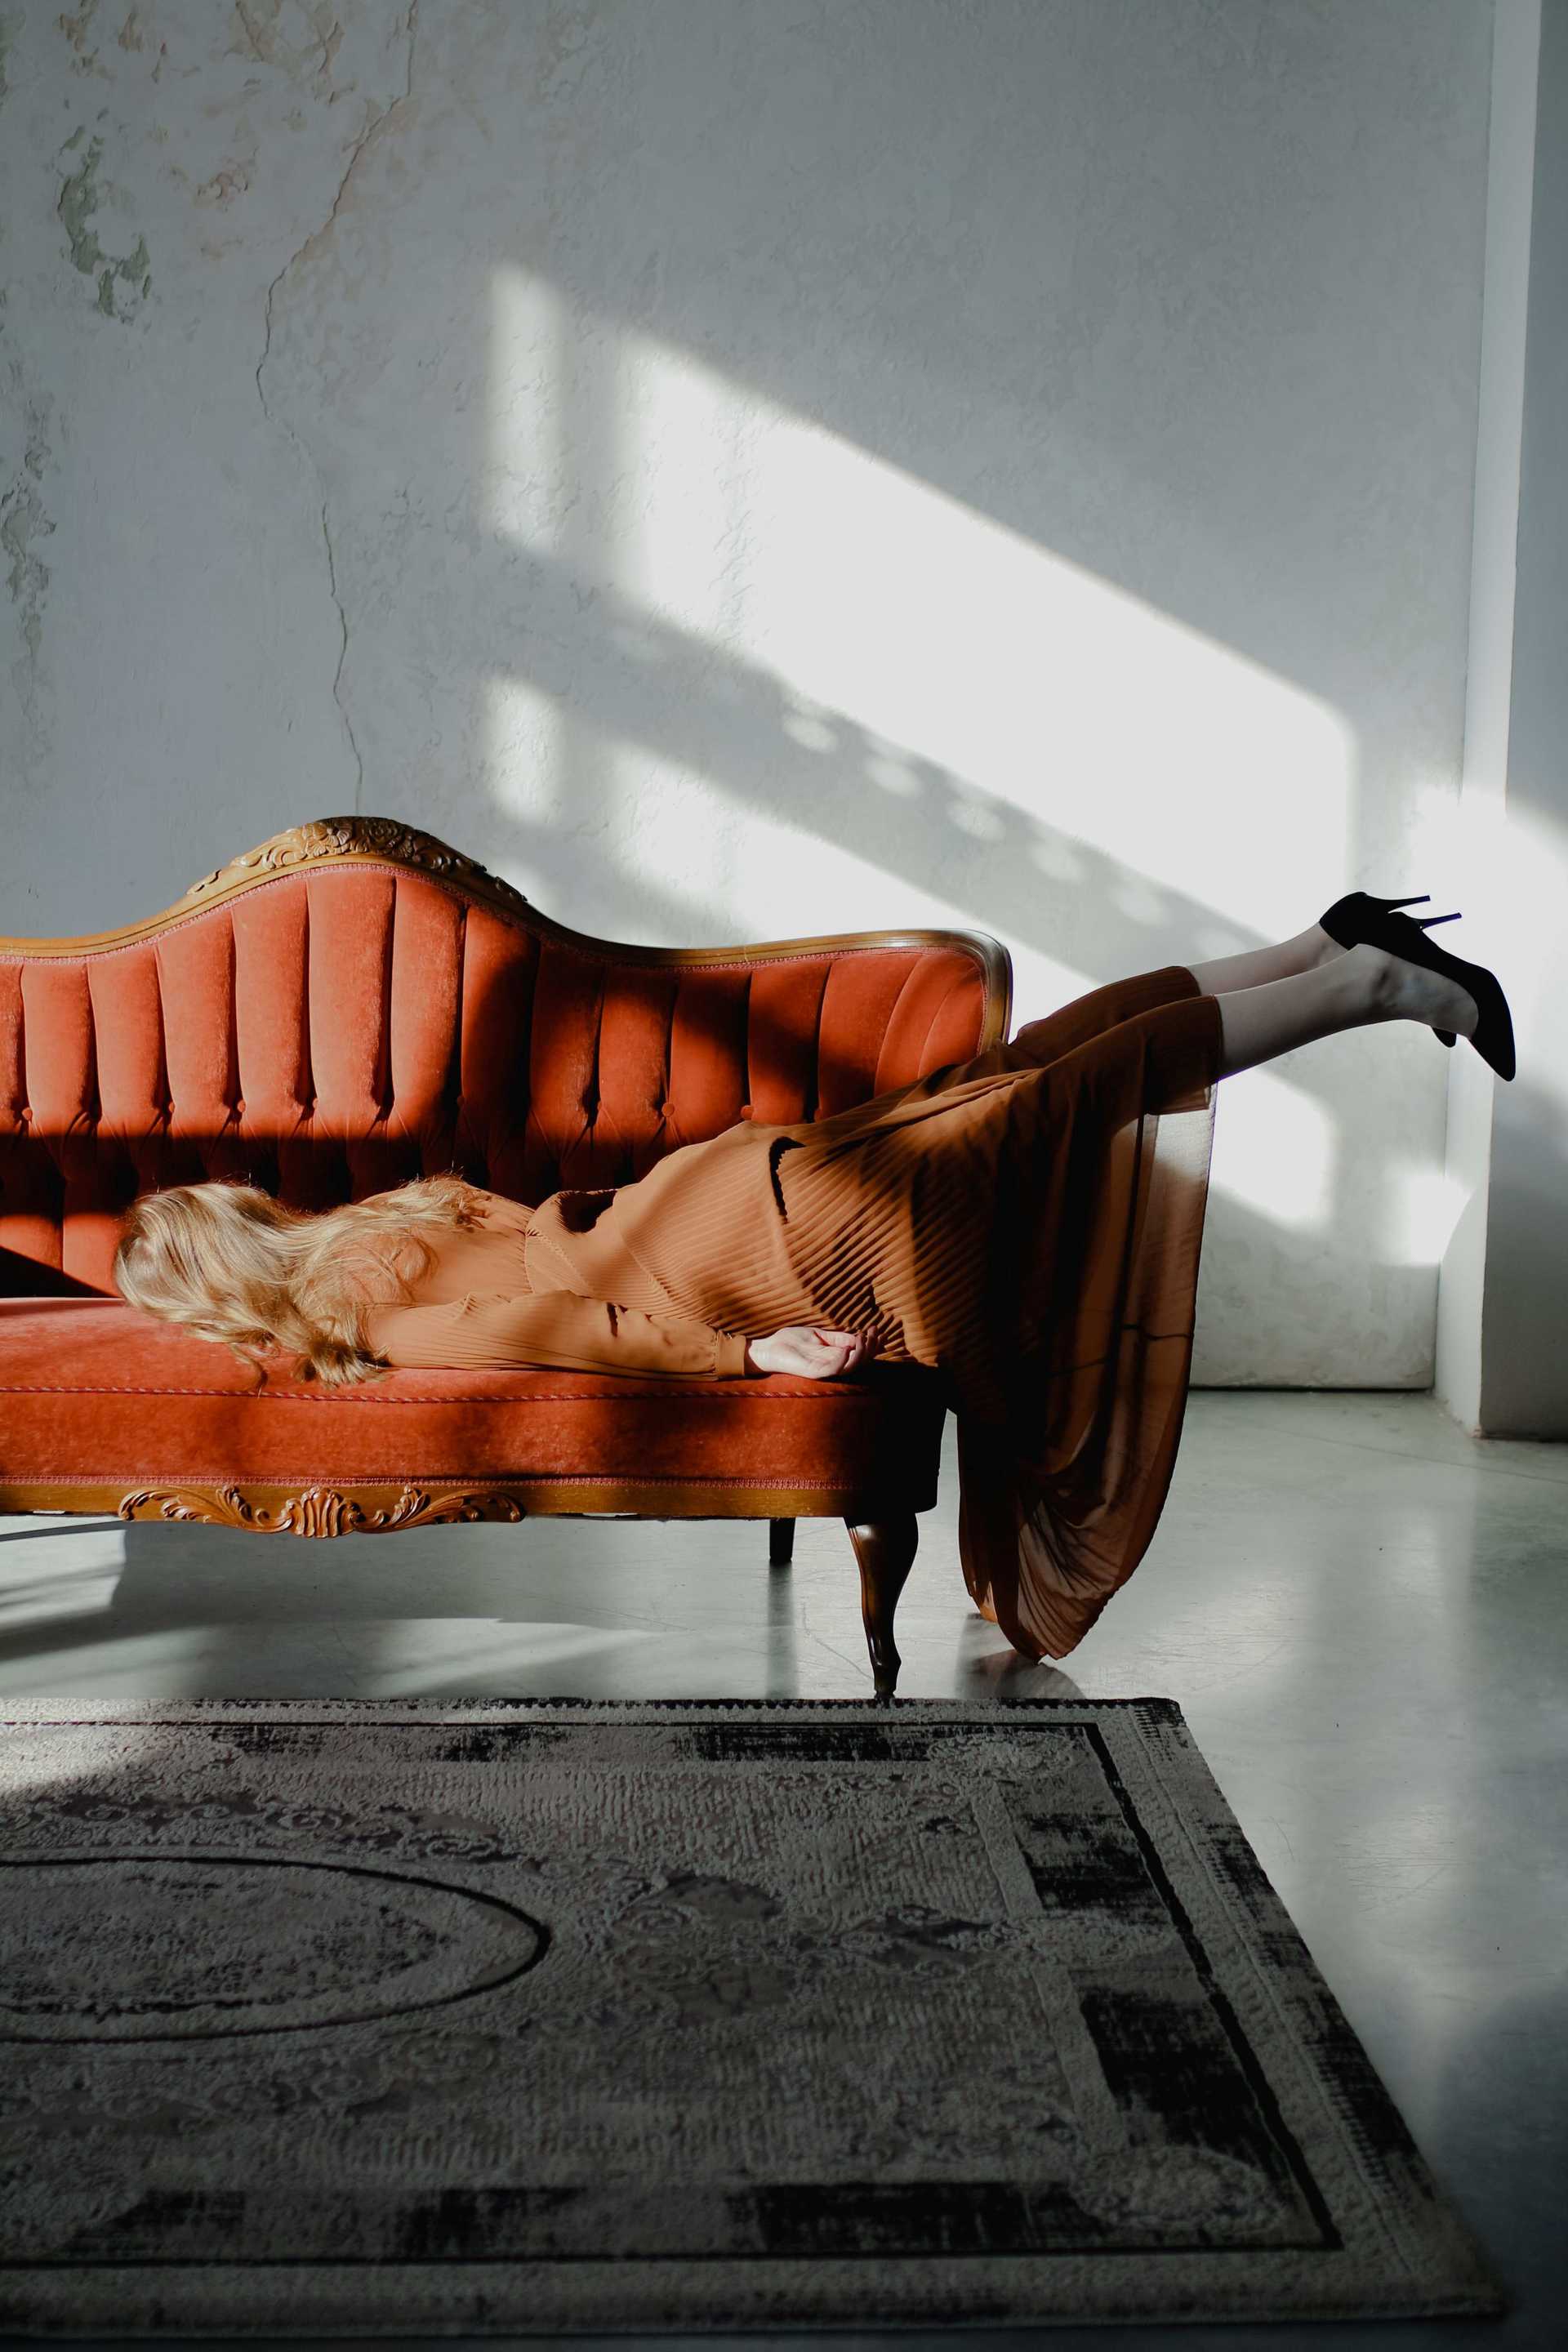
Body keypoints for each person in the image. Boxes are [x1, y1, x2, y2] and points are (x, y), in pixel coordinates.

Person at [111, 896, 1509, 1663]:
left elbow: (550, 1323)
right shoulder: (376, 1216)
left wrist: (740, 1357)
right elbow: (539, 1248)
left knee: (1040, 1112)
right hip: (723, 1182)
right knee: (1008, 1080)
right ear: (248, 1217)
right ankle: (1316, 947)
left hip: (749, 1254)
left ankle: (1365, 990)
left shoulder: (345, 1310)